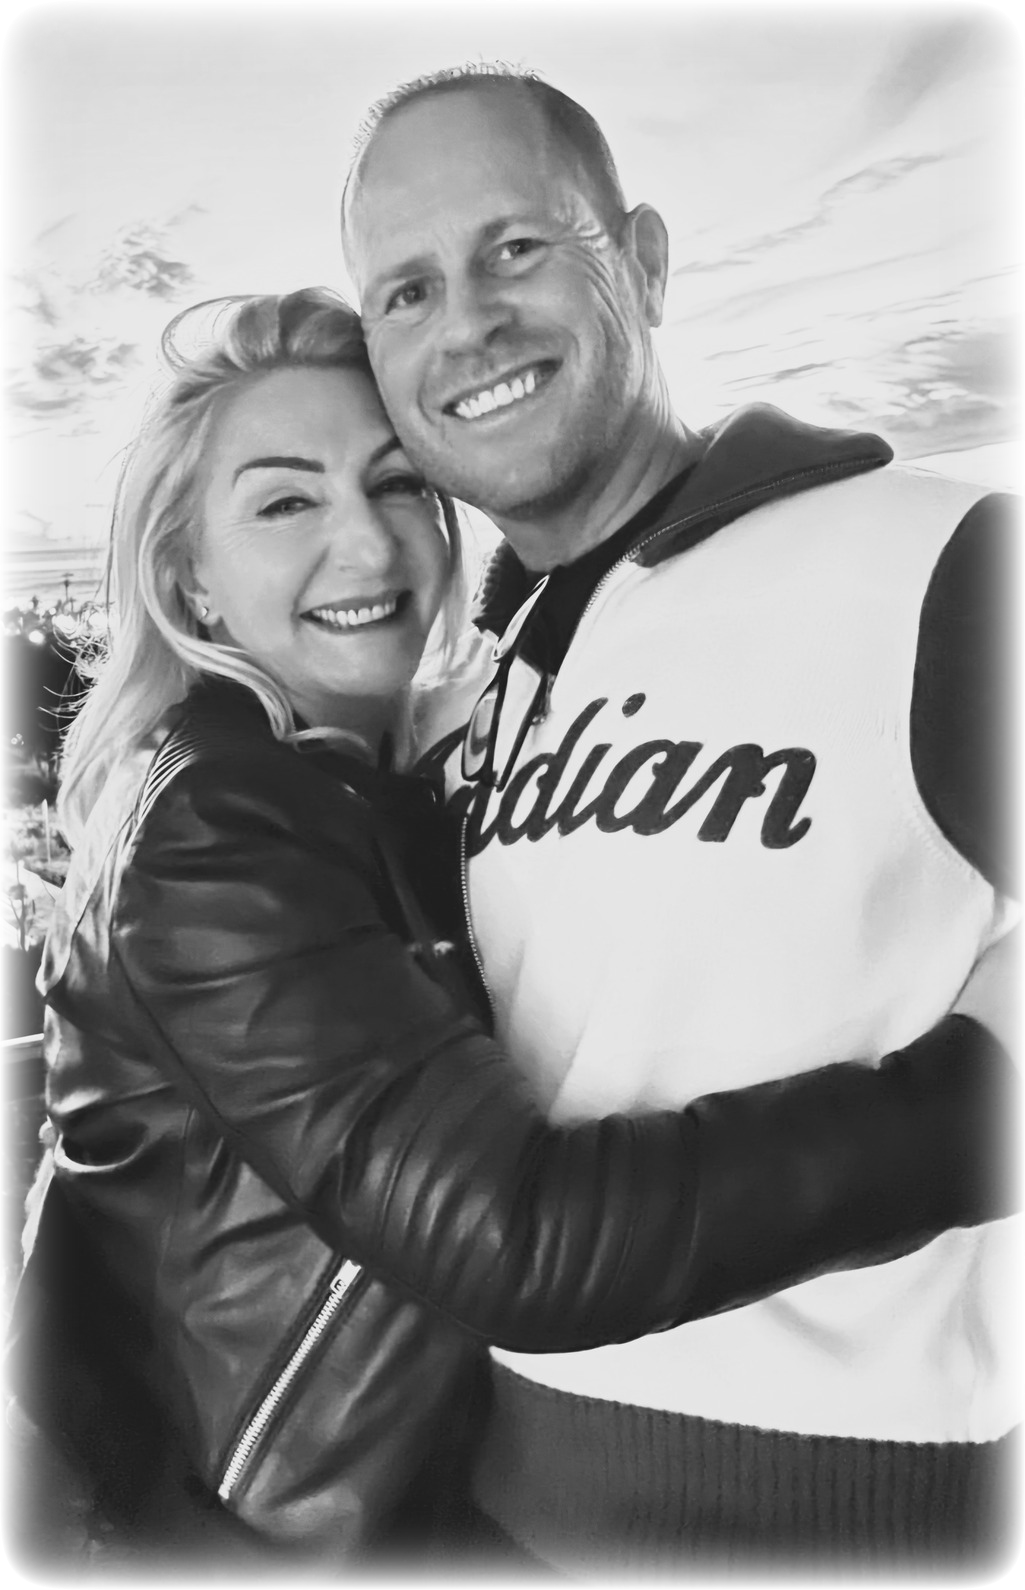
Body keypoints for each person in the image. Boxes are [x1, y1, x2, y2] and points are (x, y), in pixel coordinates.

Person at [0, 289, 1019, 1590]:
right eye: (285, 502)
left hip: (347, 1516)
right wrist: (990, 1087)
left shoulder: (372, 781)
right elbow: (512, 1239)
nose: (365, 542)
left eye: (392, 484)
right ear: (187, 574)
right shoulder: (217, 824)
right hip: (187, 1546)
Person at [342, 66, 1025, 1589]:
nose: (468, 323)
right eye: (407, 291)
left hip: (864, 1535)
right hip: (495, 1520)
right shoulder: (463, 701)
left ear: (642, 262)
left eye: (517, 247)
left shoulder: (940, 567)